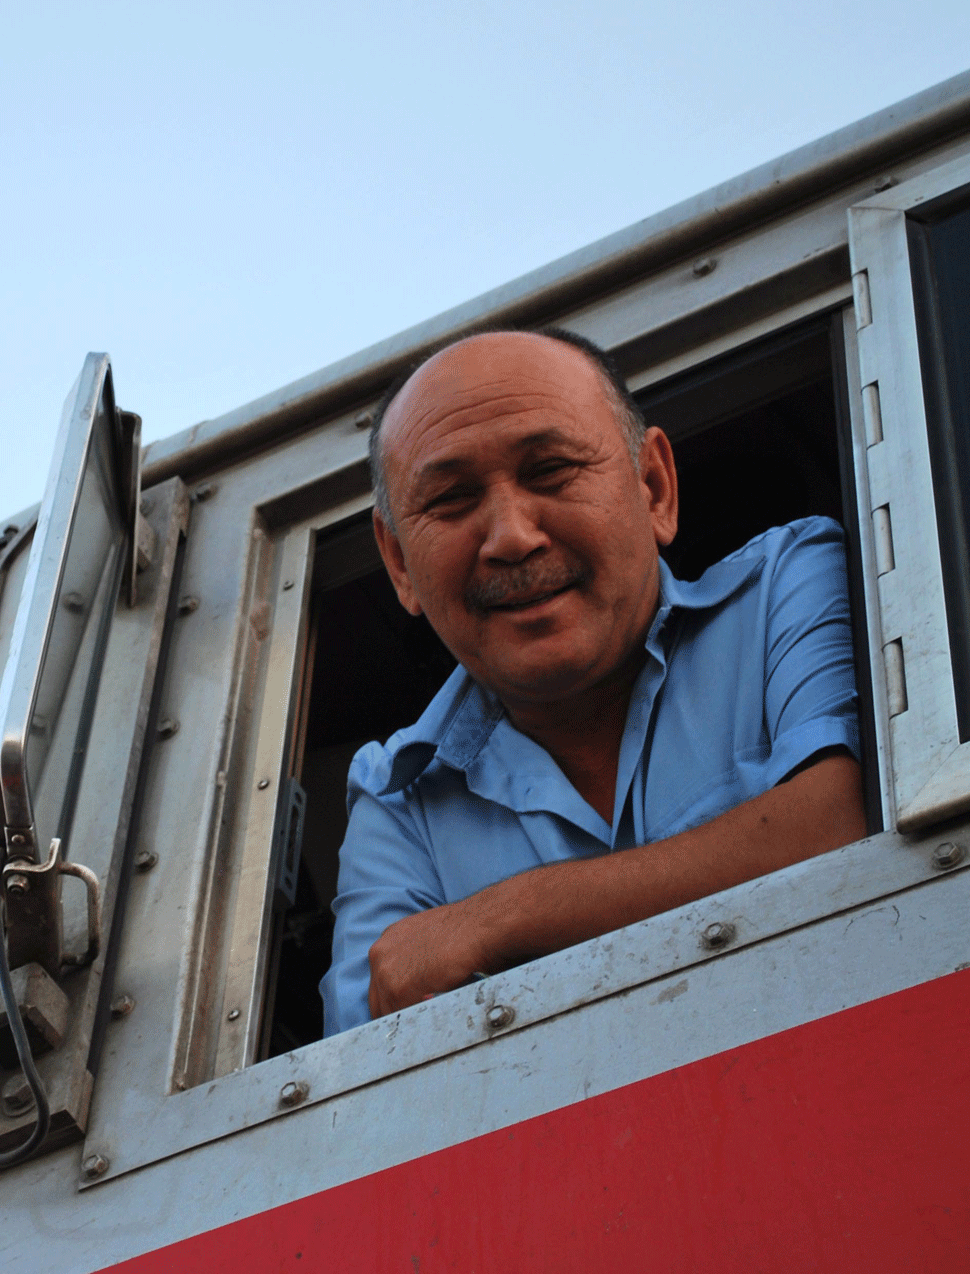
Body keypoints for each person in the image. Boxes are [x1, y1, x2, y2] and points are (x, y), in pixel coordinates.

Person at [320, 327, 864, 1035]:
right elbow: (376, 1058)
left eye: (551, 470)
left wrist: (501, 917)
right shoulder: (399, 799)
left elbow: (836, 825)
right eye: (451, 500)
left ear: (654, 488)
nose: (512, 537)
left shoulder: (784, 588)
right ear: (398, 564)